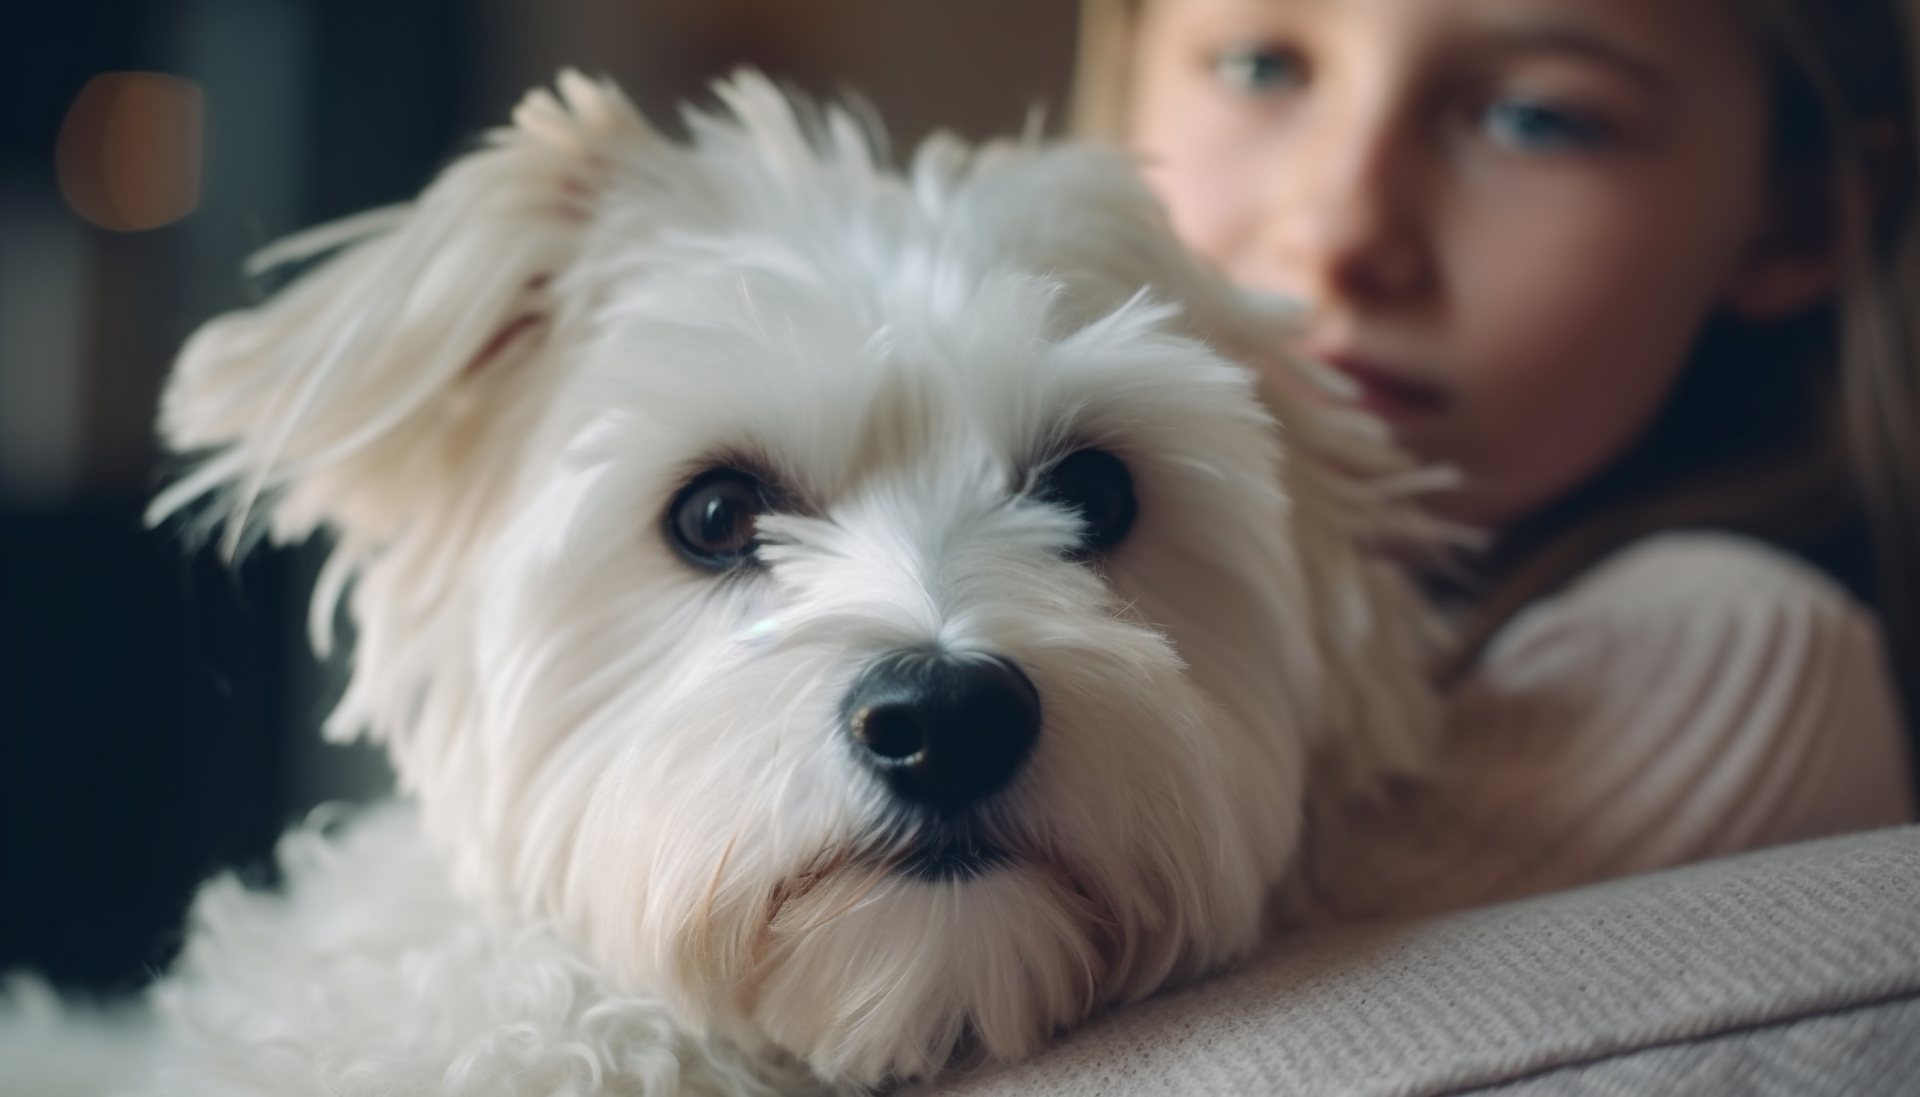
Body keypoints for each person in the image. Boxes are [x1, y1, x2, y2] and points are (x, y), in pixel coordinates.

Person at [1074, 0, 1919, 916]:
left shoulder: (1742, 655)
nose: (1339, 230)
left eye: (1534, 119)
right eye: (1259, 69)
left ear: (1794, 216)